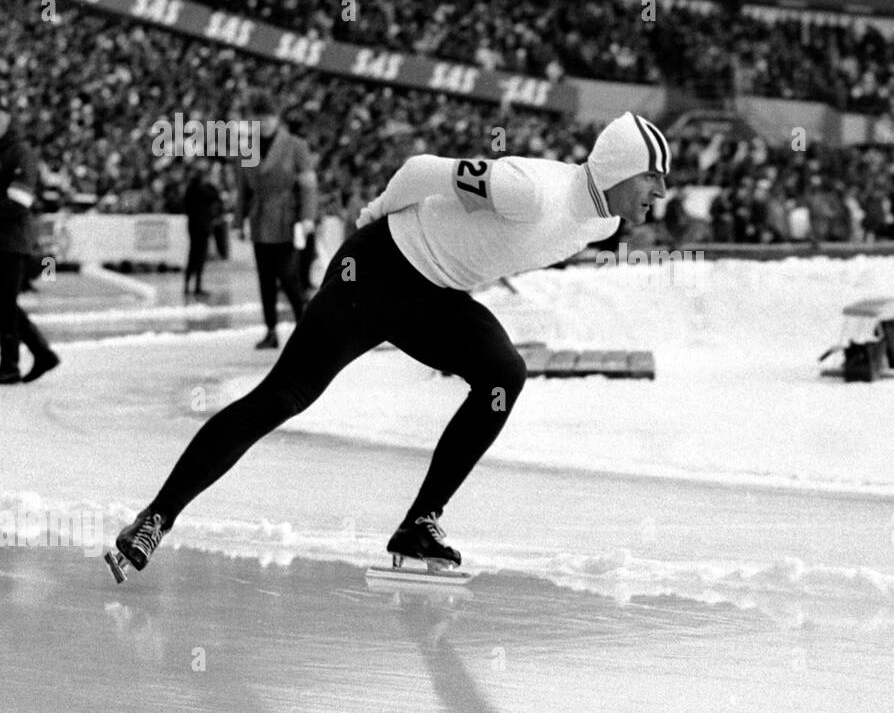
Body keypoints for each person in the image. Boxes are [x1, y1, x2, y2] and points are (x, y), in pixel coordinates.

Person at [110, 112, 671, 576]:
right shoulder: (533, 190)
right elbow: (422, 168)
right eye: (655, 178)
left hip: (434, 296)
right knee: (286, 394)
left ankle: (419, 523)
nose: (662, 193)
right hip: (376, 271)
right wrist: (375, 217)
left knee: (504, 375)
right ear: (622, 169)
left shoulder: (599, 223)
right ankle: (157, 516)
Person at [238, 103, 317, 349]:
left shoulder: (296, 145)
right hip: (260, 220)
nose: (264, 122)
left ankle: (305, 327)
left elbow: (308, 185)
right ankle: (271, 331)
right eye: (259, 117)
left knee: (288, 277)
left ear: (276, 118)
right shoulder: (247, 147)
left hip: (287, 219)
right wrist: (238, 220)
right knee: (265, 279)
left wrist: (307, 217)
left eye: (268, 117)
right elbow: (243, 190)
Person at [0, 97, 59, 385]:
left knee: (6, 305)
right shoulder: (6, 151)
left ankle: (10, 366)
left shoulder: (20, 152)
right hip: (3, 239)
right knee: (4, 304)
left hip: (12, 241)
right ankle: (41, 353)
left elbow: (19, 201)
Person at [182, 160, 221, 300]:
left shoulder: (190, 189)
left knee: (193, 255)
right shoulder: (203, 189)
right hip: (202, 227)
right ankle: (196, 286)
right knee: (199, 256)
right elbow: (215, 197)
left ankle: (187, 285)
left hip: (193, 226)